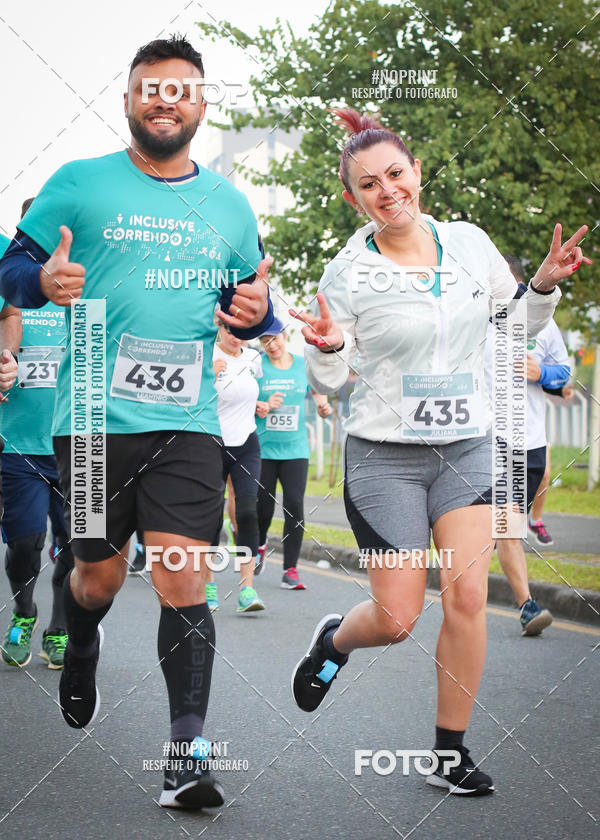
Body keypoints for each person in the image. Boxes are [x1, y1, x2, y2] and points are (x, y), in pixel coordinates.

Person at [0, 36, 273, 809]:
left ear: (199, 107)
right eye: (150, 88)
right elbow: (11, 269)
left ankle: (187, 753)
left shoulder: (227, 205)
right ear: (128, 101)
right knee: (98, 574)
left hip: (185, 422)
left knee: (186, 574)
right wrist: (41, 278)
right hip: (88, 423)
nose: (164, 99)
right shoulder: (80, 185)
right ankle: (81, 636)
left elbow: (250, 303)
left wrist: (256, 317)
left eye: (180, 90)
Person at [289, 109, 590, 796]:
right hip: (385, 456)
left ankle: (449, 753)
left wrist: (541, 284)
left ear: (417, 173)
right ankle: (335, 639)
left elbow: (511, 326)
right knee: (398, 619)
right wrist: (331, 349)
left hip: (468, 448)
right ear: (353, 199)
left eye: (396, 173)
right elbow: (330, 378)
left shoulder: (467, 243)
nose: (387, 190)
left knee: (465, 600)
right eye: (369, 184)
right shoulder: (347, 274)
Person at [0, 198, 75, 670]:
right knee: (24, 544)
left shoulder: (90, 286)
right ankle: (24, 613)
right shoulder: (12, 288)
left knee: (76, 549)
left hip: (80, 445)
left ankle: (60, 629)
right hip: (20, 445)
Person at [485, 257, 571, 635]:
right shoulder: (476, 325)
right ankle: (526, 605)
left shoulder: (544, 324)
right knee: (508, 524)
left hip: (533, 440)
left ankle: (466, 571)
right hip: (491, 440)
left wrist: (543, 373)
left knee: (503, 527)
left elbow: (564, 375)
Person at [255, 317, 332, 589]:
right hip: (263, 449)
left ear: (285, 336)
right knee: (262, 510)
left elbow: (318, 393)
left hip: (296, 449)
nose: (271, 345)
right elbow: (243, 397)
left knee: (294, 507)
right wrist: (260, 404)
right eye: (265, 341)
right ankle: (260, 544)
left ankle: (290, 569)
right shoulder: (257, 367)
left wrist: (323, 407)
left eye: (274, 338)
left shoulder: (303, 365)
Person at [207, 320, 265, 613]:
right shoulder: (208, 354)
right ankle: (208, 585)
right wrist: (209, 377)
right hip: (212, 443)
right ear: (219, 326)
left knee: (247, 512)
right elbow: (188, 399)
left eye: (241, 331)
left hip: (247, 443)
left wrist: (261, 404)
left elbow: (248, 393)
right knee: (211, 516)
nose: (234, 337)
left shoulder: (253, 358)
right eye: (229, 330)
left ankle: (247, 590)